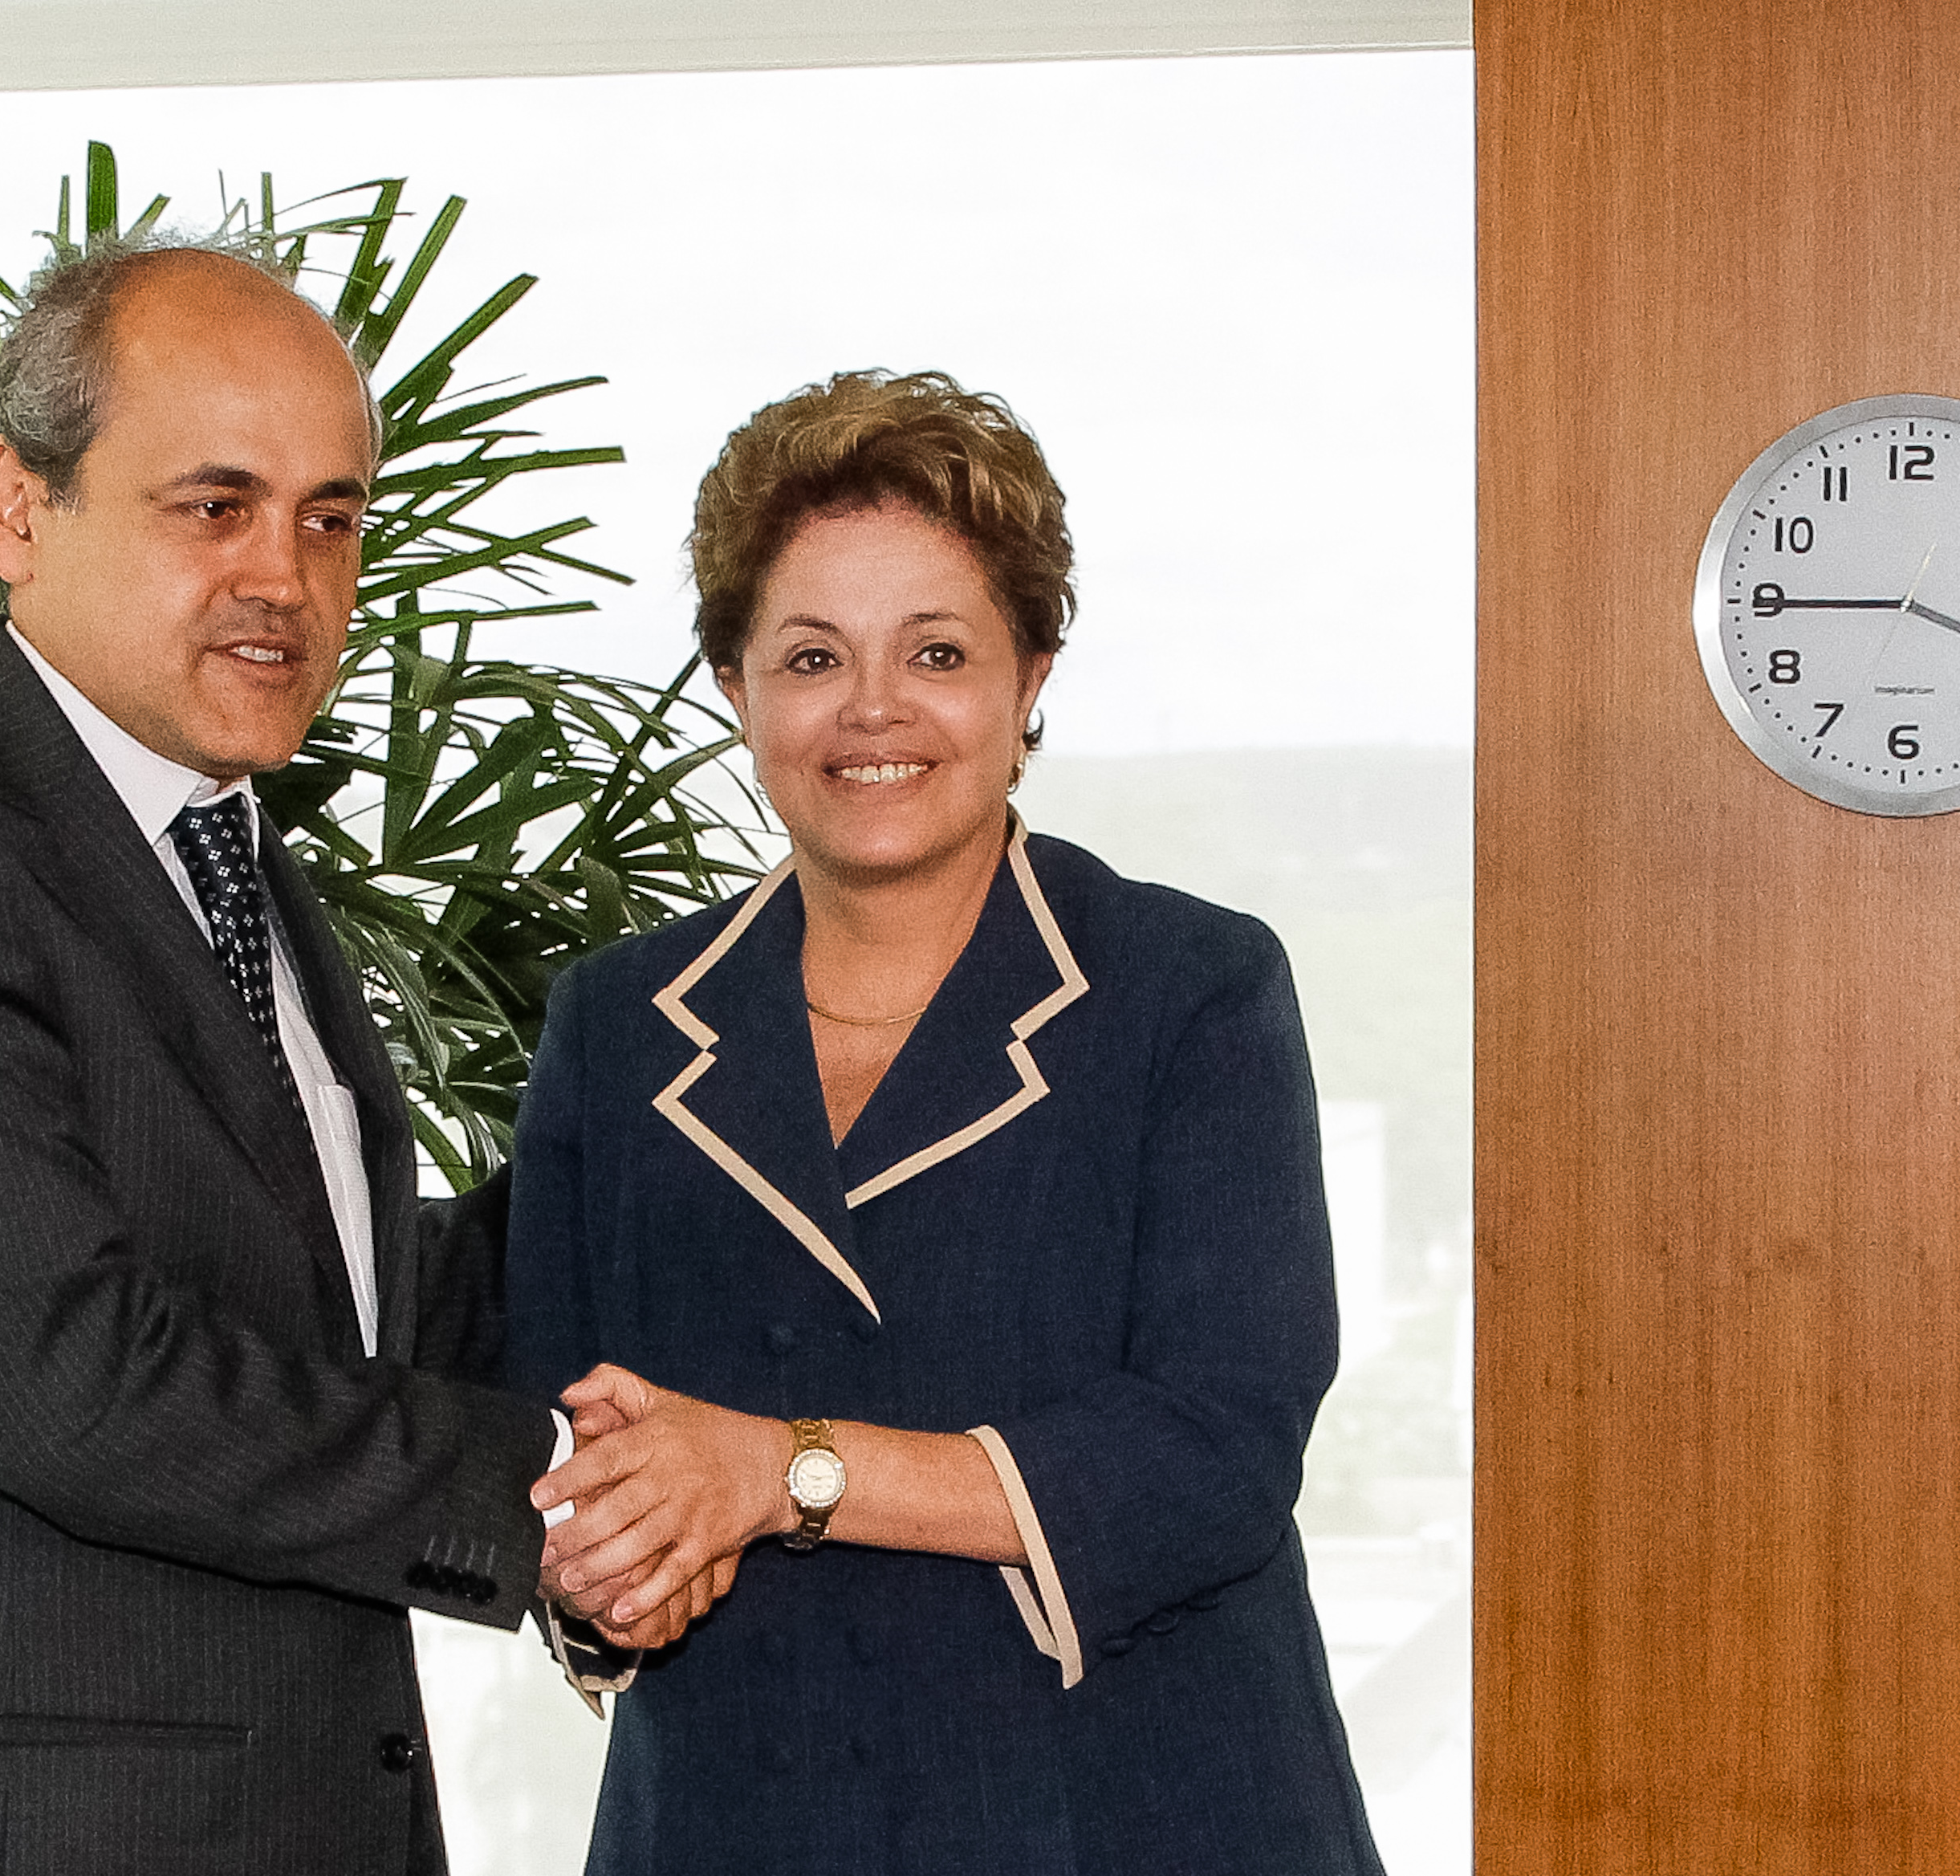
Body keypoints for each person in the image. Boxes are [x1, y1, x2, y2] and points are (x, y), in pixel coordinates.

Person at [0, 242, 573, 1874]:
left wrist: (678, 1170)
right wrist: (555, 1480)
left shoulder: (222, 851)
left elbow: (333, 1317)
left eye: (332, 515)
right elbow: (74, 1379)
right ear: (18, 510)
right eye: (214, 505)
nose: (288, 575)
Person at [508, 371, 1386, 1873]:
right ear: (735, 684)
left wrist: (780, 1468)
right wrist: (609, 1578)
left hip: (1128, 1812)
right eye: (808, 656)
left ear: (1030, 673)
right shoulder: (616, 1023)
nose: (871, 712)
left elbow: (1216, 1449)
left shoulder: (1191, 989)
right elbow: (558, 1423)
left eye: (935, 650)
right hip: (741, 1812)